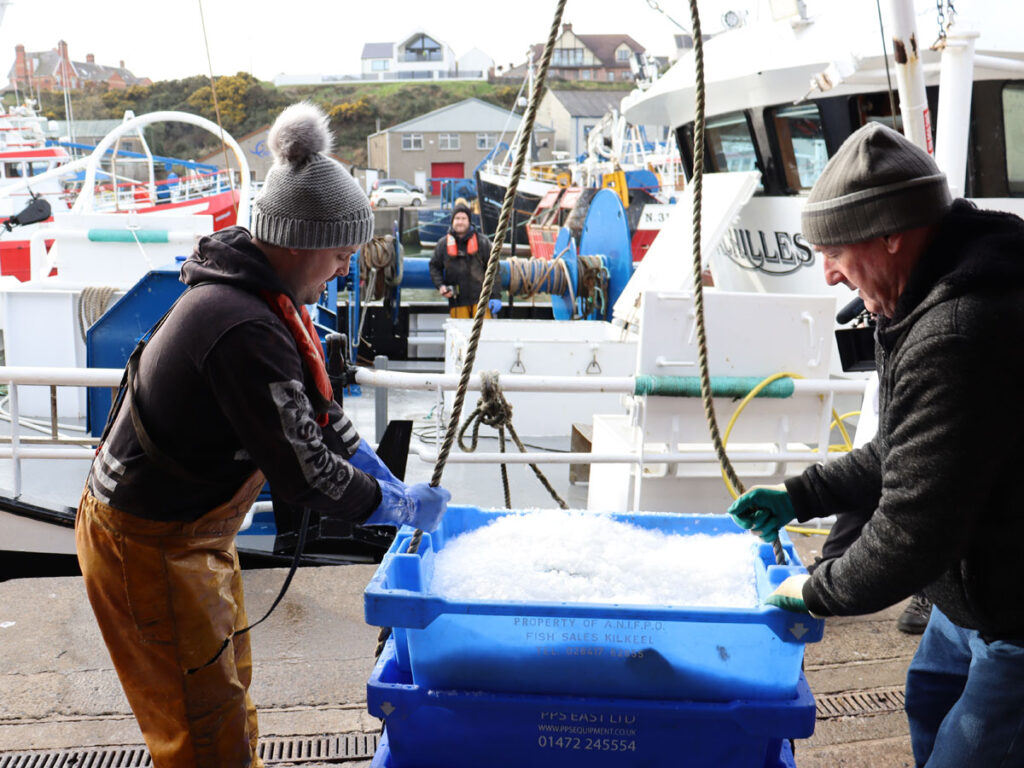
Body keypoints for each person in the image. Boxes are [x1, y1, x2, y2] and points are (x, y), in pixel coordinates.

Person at [75, 102, 450, 768]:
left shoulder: (268, 301)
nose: (341, 269)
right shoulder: (243, 326)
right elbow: (307, 474)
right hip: (147, 540)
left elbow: (323, 426)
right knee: (201, 726)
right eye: (339, 254)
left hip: (187, 532)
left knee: (224, 689)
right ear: (299, 241)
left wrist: (383, 475)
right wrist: (389, 506)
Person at [728, 122, 1024, 768]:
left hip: (1014, 613)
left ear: (893, 232)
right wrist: (798, 496)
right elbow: (901, 450)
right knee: (929, 698)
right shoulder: (925, 293)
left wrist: (812, 592)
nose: (828, 273)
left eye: (834, 249)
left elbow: (910, 532)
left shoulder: (957, 330)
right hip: (973, 597)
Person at [429, 202, 503, 318]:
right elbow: (434, 266)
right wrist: (441, 285)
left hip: (481, 301)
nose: (460, 222)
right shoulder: (443, 244)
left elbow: (494, 270)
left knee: (483, 333)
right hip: (457, 302)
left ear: (469, 221)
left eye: (463, 218)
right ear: (452, 221)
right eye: (457, 218)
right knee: (459, 335)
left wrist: (496, 296)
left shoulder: (483, 243)